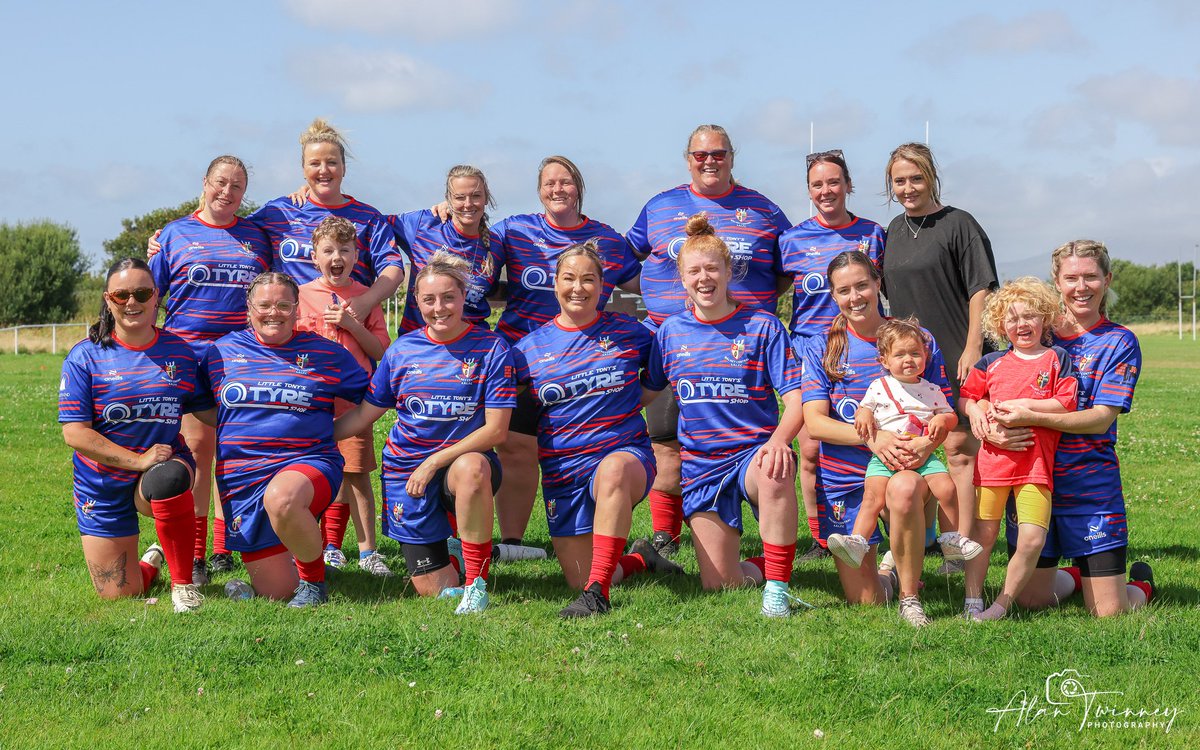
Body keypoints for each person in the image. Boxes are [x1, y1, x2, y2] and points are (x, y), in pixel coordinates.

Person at [442, 156, 642, 550]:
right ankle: (514, 541)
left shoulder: (607, 239)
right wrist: (445, 212)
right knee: (515, 448)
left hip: (583, 365)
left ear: (579, 188)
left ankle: (591, 534)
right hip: (522, 360)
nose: (557, 190)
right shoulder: (515, 230)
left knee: (573, 447)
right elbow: (470, 238)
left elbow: (644, 286)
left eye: (565, 182)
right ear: (539, 190)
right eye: (549, 183)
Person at [627, 124, 791, 558]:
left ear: (732, 157)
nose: (709, 161)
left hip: (743, 344)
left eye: (718, 153)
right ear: (688, 160)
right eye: (700, 155)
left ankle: (780, 550)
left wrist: (753, 310)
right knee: (666, 442)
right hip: (674, 344)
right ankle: (666, 535)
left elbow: (787, 267)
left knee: (759, 445)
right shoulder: (660, 206)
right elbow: (623, 255)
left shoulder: (764, 209)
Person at [643, 214, 807, 618]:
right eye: (694, 271)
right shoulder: (670, 333)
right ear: (681, 279)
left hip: (753, 452)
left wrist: (778, 441)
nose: (704, 278)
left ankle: (778, 589)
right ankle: (769, 563)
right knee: (721, 584)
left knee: (776, 469)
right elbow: (644, 394)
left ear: (729, 271)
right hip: (701, 466)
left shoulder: (763, 327)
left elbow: (797, 400)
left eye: (712, 268)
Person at [334, 253, 514, 614]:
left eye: (449, 297)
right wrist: (310, 439)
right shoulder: (402, 351)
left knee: (472, 468)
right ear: (417, 301)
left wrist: (433, 462)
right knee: (431, 588)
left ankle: (476, 584)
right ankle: (455, 556)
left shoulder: (492, 349)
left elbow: (496, 431)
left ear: (464, 297)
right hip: (406, 472)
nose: (439, 307)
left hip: (459, 466)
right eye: (429, 299)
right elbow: (367, 413)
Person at [512, 240, 682, 618]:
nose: (578, 288)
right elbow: (497, 402)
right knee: (577, 575)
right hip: (563, 471)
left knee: (614, 470)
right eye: (569, 278)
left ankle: (597, 596)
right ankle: (641, 559)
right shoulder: (528, 349)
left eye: (588, 279)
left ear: (602, 286)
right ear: (554, 284)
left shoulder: (631, 332)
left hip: (625, 455)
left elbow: (663, 371)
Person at [988, 240, 1154, 617]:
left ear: (1106, 280)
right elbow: (986, 383)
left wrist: (1032, 416)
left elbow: (1100, 418)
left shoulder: (1119, 341)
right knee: (1030, 602)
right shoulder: (1036, 331)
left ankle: (1140, 584)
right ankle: (1078, 577)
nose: (1082, 287)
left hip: (1089, 484)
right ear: (1057, 282)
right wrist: (986, 422)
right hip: (1032, 478)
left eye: (1091, 277)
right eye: (1072, 278)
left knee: (1110, 613)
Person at [193, 272, 370, 607]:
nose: (273, 312)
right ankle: (295, 565)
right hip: (243, 477)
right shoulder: (220, 353)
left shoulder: (326, 354)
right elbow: (199, 405)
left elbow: (374, 398)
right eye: (264, 305)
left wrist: (332, 433)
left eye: (283, 305)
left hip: (309, 464)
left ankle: (314, 584)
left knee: (283, 498)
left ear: (296, 308)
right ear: (249, 308)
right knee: (277, 592)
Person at [801, 251, 954, 626]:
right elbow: (816, 424)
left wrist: (926, 445)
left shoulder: (917, 340)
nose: (855, 297)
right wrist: (875, 439)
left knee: (902, 491)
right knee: (867, 601)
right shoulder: (822, 345)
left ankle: (910, 598)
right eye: (844, 290)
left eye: (862, 285)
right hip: (845, 477)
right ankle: (896, 568)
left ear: (878, 284)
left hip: (905, 468)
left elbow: (942, 410)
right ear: (833, 296)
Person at [149, 155, 272, 584]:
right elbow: (150, 294)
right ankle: (197, 554)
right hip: (187, 358)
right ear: (204, 182)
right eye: (221, 182)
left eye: (237, 186)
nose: (227, 192)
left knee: (235, 453)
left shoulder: (257, 236)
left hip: (242, 359)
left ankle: (225, 546)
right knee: (198, 452)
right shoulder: (174, 234)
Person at [58, 258, 204, 612]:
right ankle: (153, 563)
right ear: (108, 300)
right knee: (119, 592)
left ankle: (184, 585)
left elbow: (210, 411)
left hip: (164, 466)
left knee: (168, 477)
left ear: (156, 297)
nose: (132, 302)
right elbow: (76, 434)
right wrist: (137, 460)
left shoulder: (181, 353)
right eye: (122, 295)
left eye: (141, 293)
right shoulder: (85, 357)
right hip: (101, 483)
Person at [882, 143, 998, 573]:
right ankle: (923, 539)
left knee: (957, 449)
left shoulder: (959, 224)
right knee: (917, 445)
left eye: (916, 178)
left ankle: (959, 548)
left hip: (955, 349)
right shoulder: (892, 230)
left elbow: (981, 288)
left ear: (931, 177)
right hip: (911, 358)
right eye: (899, 180)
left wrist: (971, 346)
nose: (908, 188)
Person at [778, 149, 886, 562]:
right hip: (812, 348)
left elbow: (886, 289)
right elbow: (772, 291)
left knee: (878, 436)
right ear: (809, 191)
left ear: (848, 185)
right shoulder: (791, 239)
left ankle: (900, 531)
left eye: (833, 182)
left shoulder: (874, 233)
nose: (826, 190)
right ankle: (823, 538)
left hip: (865, 346)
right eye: (817, 184)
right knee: (810, 448)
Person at [960, 277, 1078, 621]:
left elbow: (1067, 403)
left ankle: (1001, 606)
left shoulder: (1058, 358)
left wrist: (1028, 408)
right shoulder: (990, 362)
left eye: (1029, 316)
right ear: (1000, 325)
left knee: (1031, 538)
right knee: (983, 534)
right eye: (1011, 318)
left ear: (1044, 318)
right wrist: (976, 411)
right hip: (993, 465)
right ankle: (972, 600)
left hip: (1036, 466)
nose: (1021, 324)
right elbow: (967, 397)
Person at [824, 317, 980, 567]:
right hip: (886, 457)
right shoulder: (879, 386)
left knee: (948, 489)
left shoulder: (931, 389)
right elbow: (865, 408)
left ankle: (951, 539)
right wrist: (864, 414)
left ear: (925, 356)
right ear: (884, 361)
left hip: (923, 457)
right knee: (872, 498)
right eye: (900, 355)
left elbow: (948, 414)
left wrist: (944, 421)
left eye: (915, 353)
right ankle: (857, 542)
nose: (908, 359)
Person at [295, 216, 392, 576]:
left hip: (353, 399)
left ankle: (368, 551)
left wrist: (351, 323)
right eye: (328, 250)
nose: (337, 257)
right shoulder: (301, 295)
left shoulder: (364, 296)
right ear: (315, 256)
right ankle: (330, 546)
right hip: (312, 399)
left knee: (356, 472)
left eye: (345, 250)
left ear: (356, 256)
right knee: (319, 471)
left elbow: (380, 349)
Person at [389, 165, 503, 333]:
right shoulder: (424, 224)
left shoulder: (497, 245)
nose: (468, 204)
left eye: (476, 196)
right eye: (459, 197)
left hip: (471, 345)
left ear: (486, 198)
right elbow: (371, 225)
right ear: (448, 199)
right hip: (418, 345)